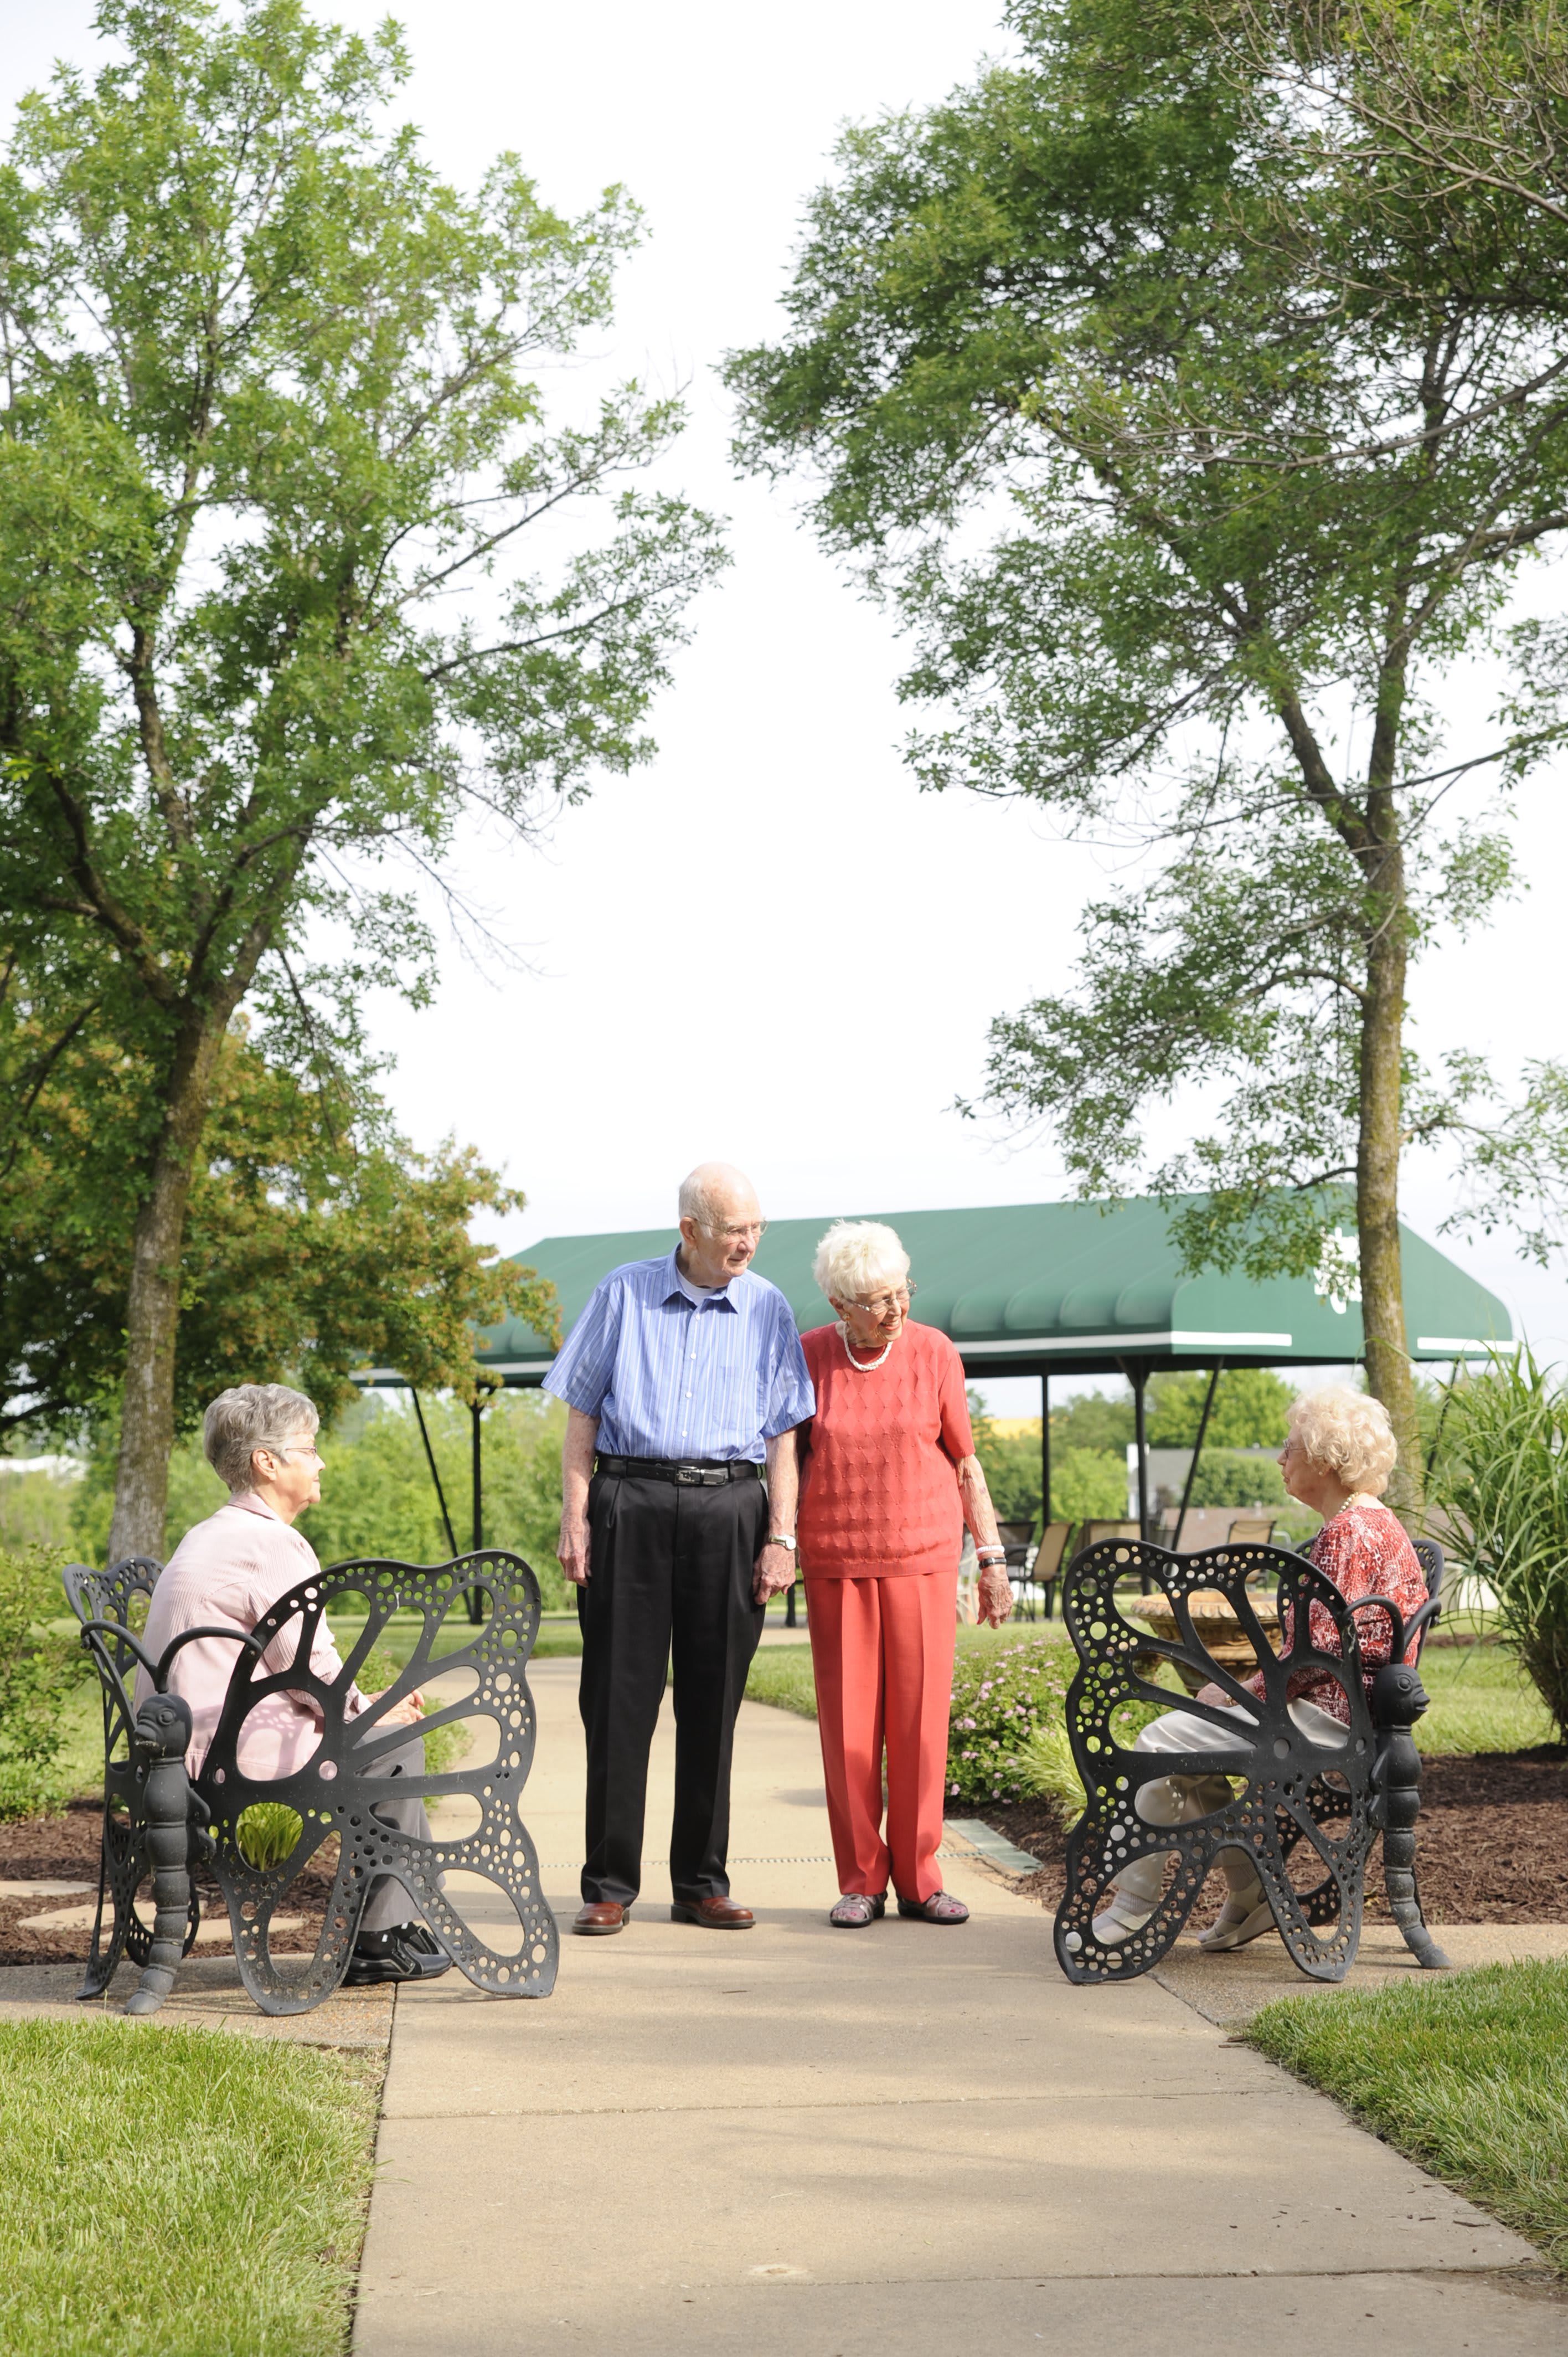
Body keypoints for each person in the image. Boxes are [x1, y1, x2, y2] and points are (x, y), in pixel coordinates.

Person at [548, 1162, 814, 1936]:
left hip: (731, 1508)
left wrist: (782, 1537)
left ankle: (702, 1884)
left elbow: (784, 1437)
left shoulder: (768, 1308)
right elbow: (581, 1418)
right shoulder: (622, 1292)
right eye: (736, 1230)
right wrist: (576, 1518)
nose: (750, 1243)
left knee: (712, 1703)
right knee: (617, 1701)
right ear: (690, 1230)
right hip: (630, 1498)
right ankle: (608, 1885)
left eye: (758, 1228)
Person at [1092, 1383, 1427, 1953]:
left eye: (1290, 1447)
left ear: (1324, 1458)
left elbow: (1317, 1654)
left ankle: (1131, 1905)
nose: (1280, 1457)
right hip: (1346, 1712)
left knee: (1157, 1743)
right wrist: (1241, 1692)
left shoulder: (1351, 1533)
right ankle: (1253, 1896)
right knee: (1195, 1768)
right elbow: (1320, 1651)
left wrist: (1237, 1692)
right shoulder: (1368, 1523)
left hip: (1327, 1718)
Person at [136, 1382, 448, 1987]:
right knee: (400, 1748)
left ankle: (401, 1919)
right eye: (309, 1448)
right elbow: (314, 1679)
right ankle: (376, 1938)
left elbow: (297, 1670)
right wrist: (377, 1712)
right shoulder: (269, 1544)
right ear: (267, 1461)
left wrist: (372, 1706)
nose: (321, 1460)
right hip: (224, 1756)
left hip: (182, 1746)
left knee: (387, 1737)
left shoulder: (212, 1532)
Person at [796, 1221, 1013, 1928]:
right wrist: (777, 1540)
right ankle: (861, 1878)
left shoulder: (934, 1352)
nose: (895, 1310)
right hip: (837, 1562)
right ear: (839, 1305)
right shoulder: (808, 1358)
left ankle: (921, 1878)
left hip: (922, 1559)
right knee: (850, 1732)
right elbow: (786, 1462)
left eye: (901, 1292)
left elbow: (965, 1461)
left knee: (920, 1730)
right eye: (876, 1300)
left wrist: (992, 1558)